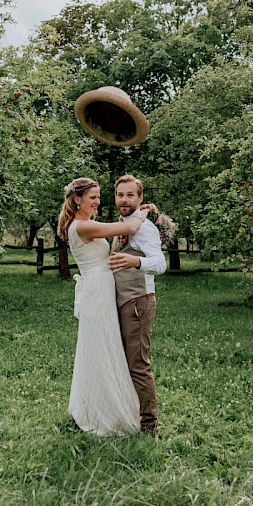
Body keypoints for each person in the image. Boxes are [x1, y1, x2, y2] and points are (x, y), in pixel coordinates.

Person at [56, 177, 150, 436]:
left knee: (106, 345)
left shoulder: (83, 224)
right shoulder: (83, 227)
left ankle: (100, 403)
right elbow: (129, 226)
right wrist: (144, 211)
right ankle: (104, 410)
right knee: (102, 346)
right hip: (97, 291)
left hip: (100, 288)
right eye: (93, 198)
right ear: (78, 200)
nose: (98, 201)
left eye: (98, 197)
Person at [108, 174, 166, 437]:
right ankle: (129, 413)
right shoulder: (124, 225)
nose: (124, 199)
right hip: (123, 302)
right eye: (120, 195)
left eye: (130, 195)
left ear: (140, 198)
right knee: (125, 361)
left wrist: (137, 262)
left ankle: (149, 426)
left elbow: (160, 264)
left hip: (138, 302)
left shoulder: (144, 228)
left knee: (138, 365)